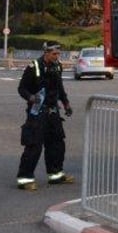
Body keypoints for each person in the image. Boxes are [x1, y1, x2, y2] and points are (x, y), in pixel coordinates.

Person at [15, 42, 74, 190]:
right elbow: (22, 88)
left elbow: (59, 87)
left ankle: (56, 175)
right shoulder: (33, 67)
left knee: (57, 143)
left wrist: (66, 103)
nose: (57, 57)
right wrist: (30, 97)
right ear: (46, 53)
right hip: (37, 111)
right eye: (54, 54)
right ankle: (25, 179)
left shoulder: (57, 66)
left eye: (58, 54)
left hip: (53, 111)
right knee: (34, 145)